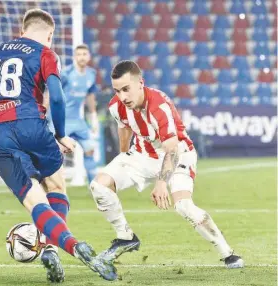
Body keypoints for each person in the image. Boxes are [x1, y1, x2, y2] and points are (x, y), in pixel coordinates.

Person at [0, 8, 117, 282]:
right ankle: (52, 246)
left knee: (33, 199)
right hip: (31, 123)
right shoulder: (45, 53)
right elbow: (59, 98)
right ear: (49, 34)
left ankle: (71, 246)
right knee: (56, 185)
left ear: (22, 29)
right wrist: (61, 134)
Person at [90, 60, 244, 269]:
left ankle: (228, 253)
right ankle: (125, 237)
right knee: (99, 185)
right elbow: (123, 126)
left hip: (179, 153)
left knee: (183, 206)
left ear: (140, 83)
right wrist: (123, 156)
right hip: (143, 154)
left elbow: (171, 149)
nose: (122, 97)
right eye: (117, 91)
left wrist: (162, 184)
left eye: (126, 89)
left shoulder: (159, 106)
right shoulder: (116, 106)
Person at [61, 44, 99, 184]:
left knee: (89, 150)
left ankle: (94, 187)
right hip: (62, 121)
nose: (82, 57)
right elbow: (52, 94)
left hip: (79, 121)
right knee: (56, 154)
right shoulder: (66, 73)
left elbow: (90, 95)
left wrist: (93, 116)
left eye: (84, 54)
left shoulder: (91, 74)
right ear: (74, 57)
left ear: (88, 57)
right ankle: (50, 187)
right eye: (79, 54)